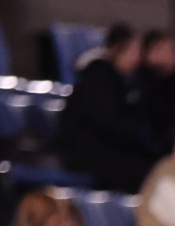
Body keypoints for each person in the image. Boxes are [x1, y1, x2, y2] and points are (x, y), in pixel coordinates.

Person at [59, 24, 161, 194]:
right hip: (87, 152)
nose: (137, 57)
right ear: (116, 50)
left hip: (108, 148)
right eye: (132, 50)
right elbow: (106, 123)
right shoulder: (98, 78)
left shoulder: (129, 81)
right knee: (142, 172)